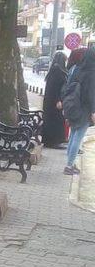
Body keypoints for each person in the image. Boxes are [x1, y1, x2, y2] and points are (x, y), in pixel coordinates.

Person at [62, 47, 95, 175]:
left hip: (73, 106)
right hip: (84, 109)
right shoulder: (92, 73)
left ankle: (70, 163)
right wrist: (93, 111)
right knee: (78, 137)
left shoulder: (77, 69)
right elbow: (91, 94)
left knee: (73, 134)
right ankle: (69, 166)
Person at [41, 51, 67, 148]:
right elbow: (55, 87)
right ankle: (53, 141)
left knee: (53, 120)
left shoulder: (54, 70)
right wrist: (58, 100)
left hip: (50, 102)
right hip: (54, 102)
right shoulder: (57, 71)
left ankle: (52, 141)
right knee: (55, 121)